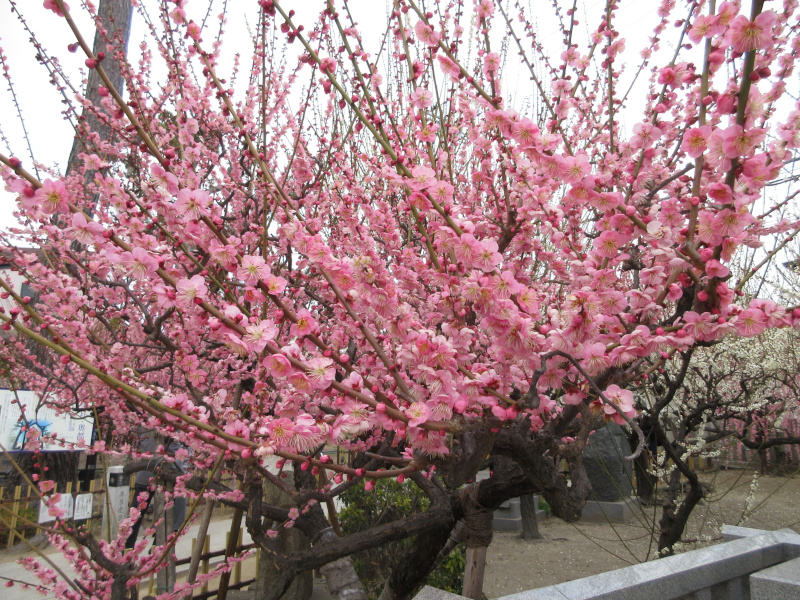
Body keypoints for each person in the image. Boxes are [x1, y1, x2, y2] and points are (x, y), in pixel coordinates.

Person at [125, 429, 187, 549]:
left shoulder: (146, 425)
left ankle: (128, 551)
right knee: (175, 516)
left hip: (147, 472)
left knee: (135, 517)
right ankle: (155, 551)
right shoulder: (171, 426)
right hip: (169, 475)